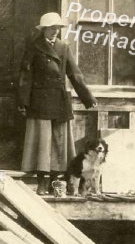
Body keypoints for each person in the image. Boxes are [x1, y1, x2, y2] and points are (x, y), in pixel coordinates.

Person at [17, 12, 97, 195]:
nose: (55, 32)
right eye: (52, 28)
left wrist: (87, 97)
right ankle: (41, 183)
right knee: (42, 143)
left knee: (58, 143)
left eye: (58, 29)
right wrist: (23, 100)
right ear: (44, 29)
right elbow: (25, 75)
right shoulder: (34, 48)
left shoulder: (64, 47)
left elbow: (74, 73)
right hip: (39, 101)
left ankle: (54, 181)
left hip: (59, 100)